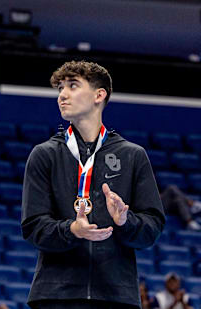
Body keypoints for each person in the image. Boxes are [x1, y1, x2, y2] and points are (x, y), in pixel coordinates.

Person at [21, 61, 165, 309]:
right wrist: (72, 230)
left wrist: (125, 221)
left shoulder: (132, 156)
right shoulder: (44, 155)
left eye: (73, 86)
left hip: (115, 296)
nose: (63, 95)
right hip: (55, 296)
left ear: (99, 95)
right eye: (60, 88)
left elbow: (151, 229)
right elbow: (33, 227)